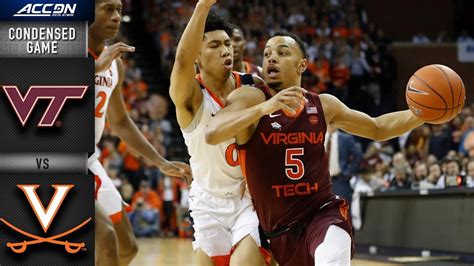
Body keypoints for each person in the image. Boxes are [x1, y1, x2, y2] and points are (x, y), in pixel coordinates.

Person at [205, 31, 425, 265]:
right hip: (278, 232)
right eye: (267, 53)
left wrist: (422, 114)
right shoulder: (250, 98)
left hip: (321, 212)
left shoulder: (323, 105)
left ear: (302, 65)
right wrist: (265, 107)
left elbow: (378, 128)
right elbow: (212, 133)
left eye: (282, 53)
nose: (271, 58)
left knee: (332, 255)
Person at [89, 0, 191, 264]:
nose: (115, 16)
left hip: (89, 160)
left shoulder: (115, 65)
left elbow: (120, 122)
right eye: (108, 9)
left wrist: (160, 161)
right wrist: (92, 69)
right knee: (106, 240)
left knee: (127, 249)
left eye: (119, 10)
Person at [169, 1, 267, 265]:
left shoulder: (251, 86)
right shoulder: (191, 98)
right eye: (214, 46)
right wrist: (202, 6)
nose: (227, 50)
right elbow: (181, 60)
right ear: (197, 56)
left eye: (227, 43)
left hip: (248, 200)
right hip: (208, 203)